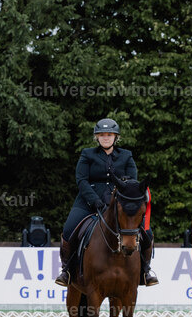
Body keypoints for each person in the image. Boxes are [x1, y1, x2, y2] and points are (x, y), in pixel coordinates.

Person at [55, 118, 158, 287]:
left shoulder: (126, 155)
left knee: (147, 233)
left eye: (109, 135)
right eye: (102, 135)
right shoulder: (87, 154)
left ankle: (146, 271)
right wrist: (94, 200)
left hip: (118, 205)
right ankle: (66, 270)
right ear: (97, 137)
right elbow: (81, 180)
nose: (105, 138)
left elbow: (132, 182)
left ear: (115, 137)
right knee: (68, 229)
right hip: (88, 202)